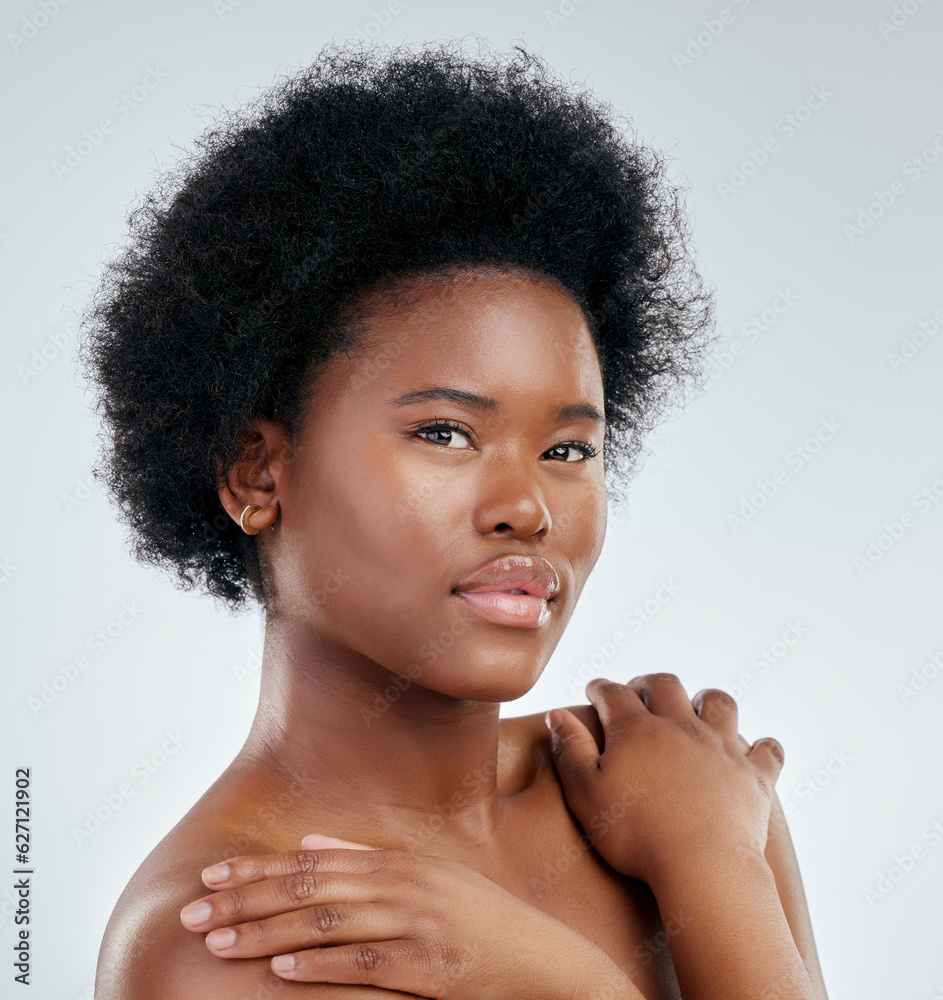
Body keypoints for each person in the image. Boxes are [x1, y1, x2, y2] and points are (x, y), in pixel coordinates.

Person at [81, 38, 829, 999]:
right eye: (444, 433)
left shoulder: (690, 798)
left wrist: (712, 865)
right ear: (256, 474)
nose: (527, 510)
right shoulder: (233, 939)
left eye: (567, 451)